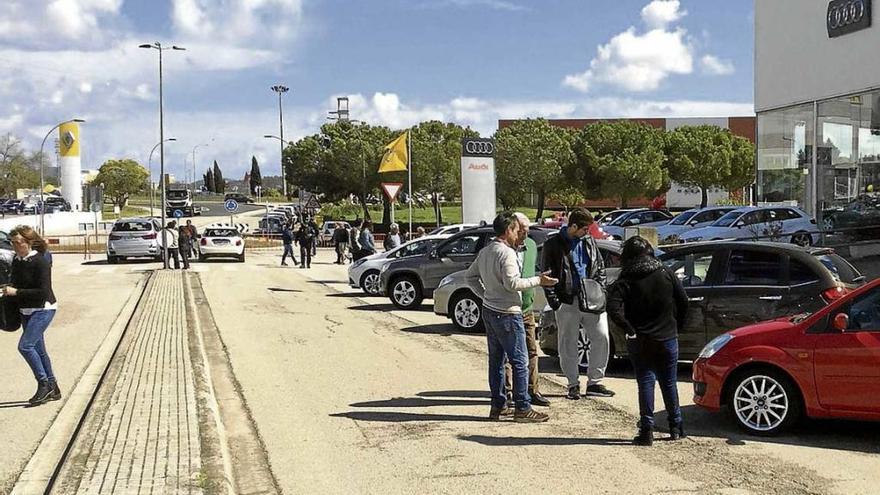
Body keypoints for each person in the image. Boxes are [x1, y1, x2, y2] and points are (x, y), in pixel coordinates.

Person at [465, 211, 557, 423]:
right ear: (508, 231)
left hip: (490, 310)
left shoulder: (487, 251)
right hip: (507, 313)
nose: (519, 235)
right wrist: (538, 280)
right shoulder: (506, 253)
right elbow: (512, 283)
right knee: (520, 361)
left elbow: (470, 276)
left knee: (497, 361)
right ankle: (523, 407)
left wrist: (486, 294)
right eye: (517, 230)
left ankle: (498, 406)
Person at [608, 236, 688, 446]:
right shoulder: (666, 273)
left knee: (645, 382)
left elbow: (613, 308)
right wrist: (677, 326)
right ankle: (676, 426)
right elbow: (684, 301)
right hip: (667, 336)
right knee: (669, 382)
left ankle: (647, 430)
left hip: (640, 338)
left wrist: (628, 328)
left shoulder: (625, 279)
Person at [541, 208, 614, 400]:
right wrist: (555, 302)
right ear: (573, 226)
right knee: (568, 343)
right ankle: (573, 383)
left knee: (601, 337)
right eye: (584, 229)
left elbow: (599, 267)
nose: (587, 232)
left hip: (591, 298)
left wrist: (601, 291)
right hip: (566, 299)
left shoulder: (589, 241)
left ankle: (595, 382)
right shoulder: (553, 245)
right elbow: (546, 274)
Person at [3, 226, 60, 405]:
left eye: (18, 242)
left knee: (25, 347)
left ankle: (43, 384)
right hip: (26, 311)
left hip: (43, 309)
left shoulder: (40, 262)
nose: (15, 246)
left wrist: (16, 292)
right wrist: (6, 290)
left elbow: (42, 292)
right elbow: (16, 283)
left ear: (28, 242)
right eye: (12, 242)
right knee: (39, 350)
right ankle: (53, 386)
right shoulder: (17, 260)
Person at [503, 232, 550, 407]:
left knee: (531, 349)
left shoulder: (530, 246)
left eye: (527, 228)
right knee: (508, 354)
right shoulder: (504, 248)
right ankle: (507, 392)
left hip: (526, 308)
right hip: (507, 309)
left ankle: (532, 389)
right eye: (521, 228)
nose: (525, 232)